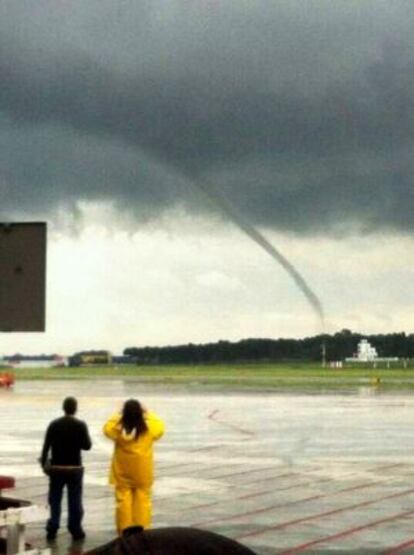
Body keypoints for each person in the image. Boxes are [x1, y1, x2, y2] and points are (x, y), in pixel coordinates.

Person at [103, 399, 165, 534]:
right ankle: (143, 533)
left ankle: (124, 532)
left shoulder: (118, 429)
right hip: (143, 472)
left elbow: (107, 429)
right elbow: (160, 427)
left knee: (123, 503)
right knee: (143, 503)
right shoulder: (149, 429)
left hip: (122, 471)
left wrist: (119, 414)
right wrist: (147, 413)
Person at [40, 396, 92, 542]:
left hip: (56, 467)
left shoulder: (54, 424)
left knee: (55, 499)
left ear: (63, 408)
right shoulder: (81, 425)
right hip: (74, 468)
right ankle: (75, 528)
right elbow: (87, 446)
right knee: (74, 500)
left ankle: (53, 527)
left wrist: (43, 464)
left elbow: (46, 446)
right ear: (75, 409)